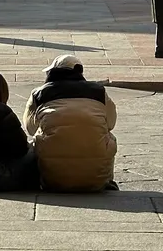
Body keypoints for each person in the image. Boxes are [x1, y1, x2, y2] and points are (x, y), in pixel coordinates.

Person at [24, 56, 118, 192]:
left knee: (37, 137)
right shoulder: (99, 91)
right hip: (96, 181)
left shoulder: (39, 93)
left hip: (52, 181)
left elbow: (30, 129)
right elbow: (111, 123)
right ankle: (107, 180)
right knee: (109, 137)